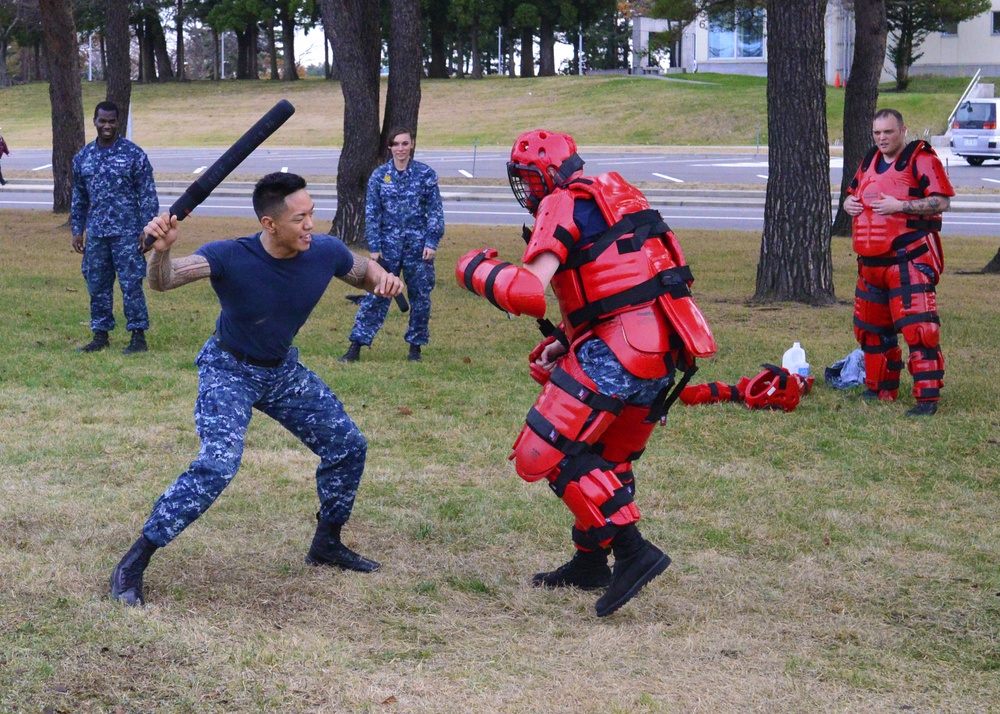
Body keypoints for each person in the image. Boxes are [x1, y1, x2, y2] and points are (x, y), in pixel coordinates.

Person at [109, 172, 404, 607]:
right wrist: (162, 251)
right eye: (300, 218)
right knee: (218, 464)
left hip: (281, 371)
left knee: (348, 445)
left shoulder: (324, 251)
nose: (310, 225)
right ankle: (134, 561)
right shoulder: (230, 255)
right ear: (270, 223)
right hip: (229, 368)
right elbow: (163, 281)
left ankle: (327, 543)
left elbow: (362, 271)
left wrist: (384, 279)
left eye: (312, 214)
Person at [456, 129, 717, 617]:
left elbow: (526, 291)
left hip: (620, 349)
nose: (526, 189)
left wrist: (474, 270)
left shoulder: (562, 202)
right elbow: (625, 283)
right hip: (663, 350)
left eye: (529, 178)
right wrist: (567, 338)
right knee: (607, 459)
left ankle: (634, 552)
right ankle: (590, 562)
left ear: (550, 174)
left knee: (547, 451)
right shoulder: (617, 195)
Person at [843, 108, 954, 417]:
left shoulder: (921, 158)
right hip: (870, 264)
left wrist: (900, 205)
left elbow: (942, 201)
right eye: (877, 133)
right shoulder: (869, 160)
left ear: (903, 131)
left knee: (919, 331)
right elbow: (854, 193)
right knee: (870, 331)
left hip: (909, 258)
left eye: (888, 132)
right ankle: (880, 388)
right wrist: (848, 203)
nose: (882, 138)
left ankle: (927, 399)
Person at [340, 127, 444, 363]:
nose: (400, 149)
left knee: (420, 297)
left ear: (412, 144)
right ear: (389, 147)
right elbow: (372, 213)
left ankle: (415, 347)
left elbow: (435, 212)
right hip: (388, 248)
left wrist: (431, 241)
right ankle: (356, 345)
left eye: (405, 144)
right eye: (396, 144)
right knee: (377, 294)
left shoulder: (425, 174)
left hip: (418, 248)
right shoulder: (379, 176)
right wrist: (375, 248)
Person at [71, 101, 159, 355]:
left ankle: (138, 336)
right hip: (97, 234)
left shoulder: (134, 155)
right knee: (97, 285)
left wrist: (148, 230)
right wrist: (77, 229)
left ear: (118, 122)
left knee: (131, 285)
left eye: (111, 121)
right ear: (95, 122)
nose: (107, 126)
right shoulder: (84, 157)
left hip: (127, 234)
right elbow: (79, 196)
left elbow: (147, 195)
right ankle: (100, 335)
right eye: (102, 121)